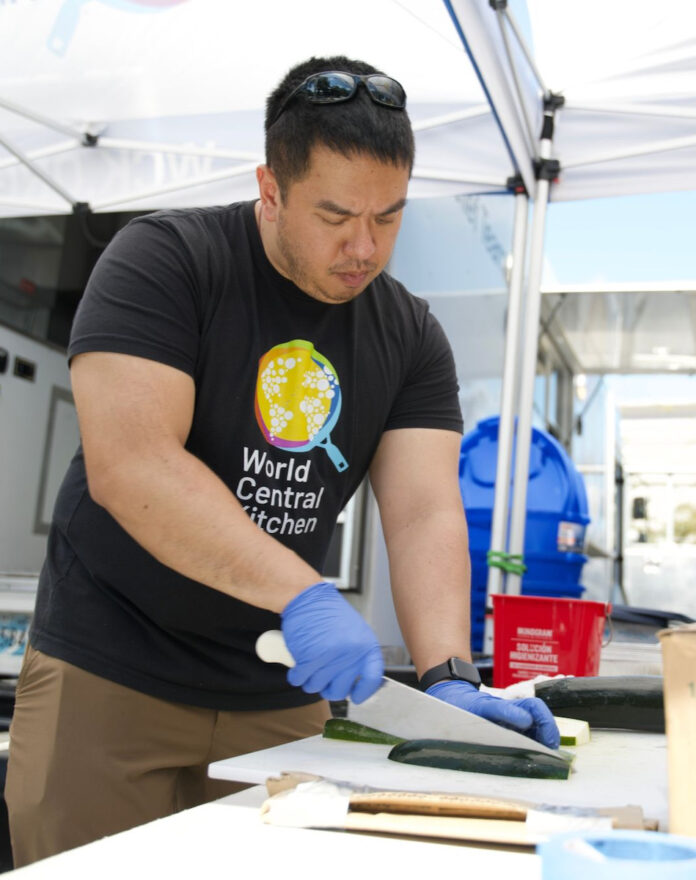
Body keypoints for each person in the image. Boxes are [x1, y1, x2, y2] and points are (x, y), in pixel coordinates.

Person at [6, 55, 559, 866]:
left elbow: (423, 512)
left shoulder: (410, 335)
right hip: (112, 673)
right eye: (336, 216)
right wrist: (302, 592)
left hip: (281, 689)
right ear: (270, 189)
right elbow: (134, 466)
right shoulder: (165, 262)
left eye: (389, 217)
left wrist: (449, 677)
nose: (364, 247)